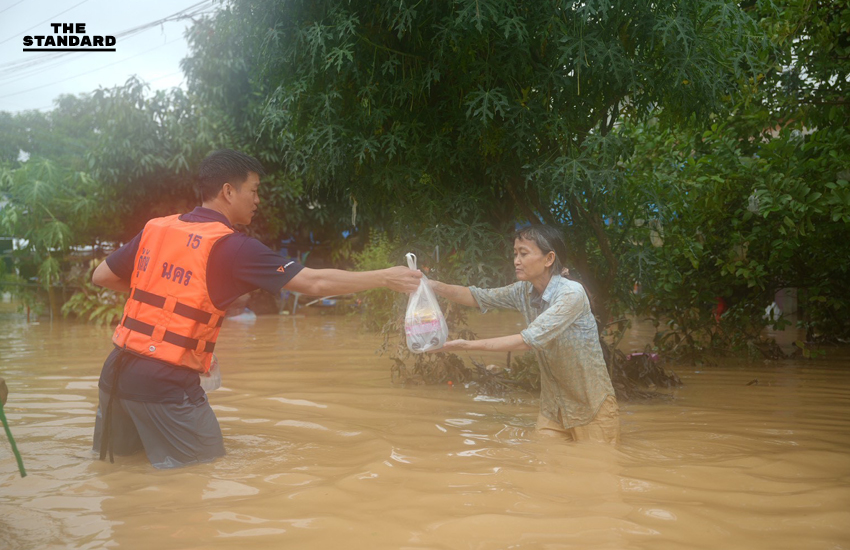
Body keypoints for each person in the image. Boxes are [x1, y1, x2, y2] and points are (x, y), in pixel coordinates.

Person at [91, 149, 421, 469]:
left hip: (115, 372)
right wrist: (385, 277)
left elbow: (102, 276)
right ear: (228, 191)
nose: (258, 200)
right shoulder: (232, 246)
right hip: (165, 381)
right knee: (202, 477)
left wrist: (187, 303)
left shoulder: (158, 228)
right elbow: (315, 283)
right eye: (254, 190)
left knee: (118, 474)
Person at [428, 225, 619, 443]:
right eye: (515, 253)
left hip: (591, 408)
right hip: (553, 409)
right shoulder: (523, 291)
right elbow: (477, 297)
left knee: (597, 473)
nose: (516, 260)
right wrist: (429, 285)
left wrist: (466, 346)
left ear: (549, 259)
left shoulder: (570, 293)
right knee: (543, 467)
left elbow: (527, 341)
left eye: (524, 253)